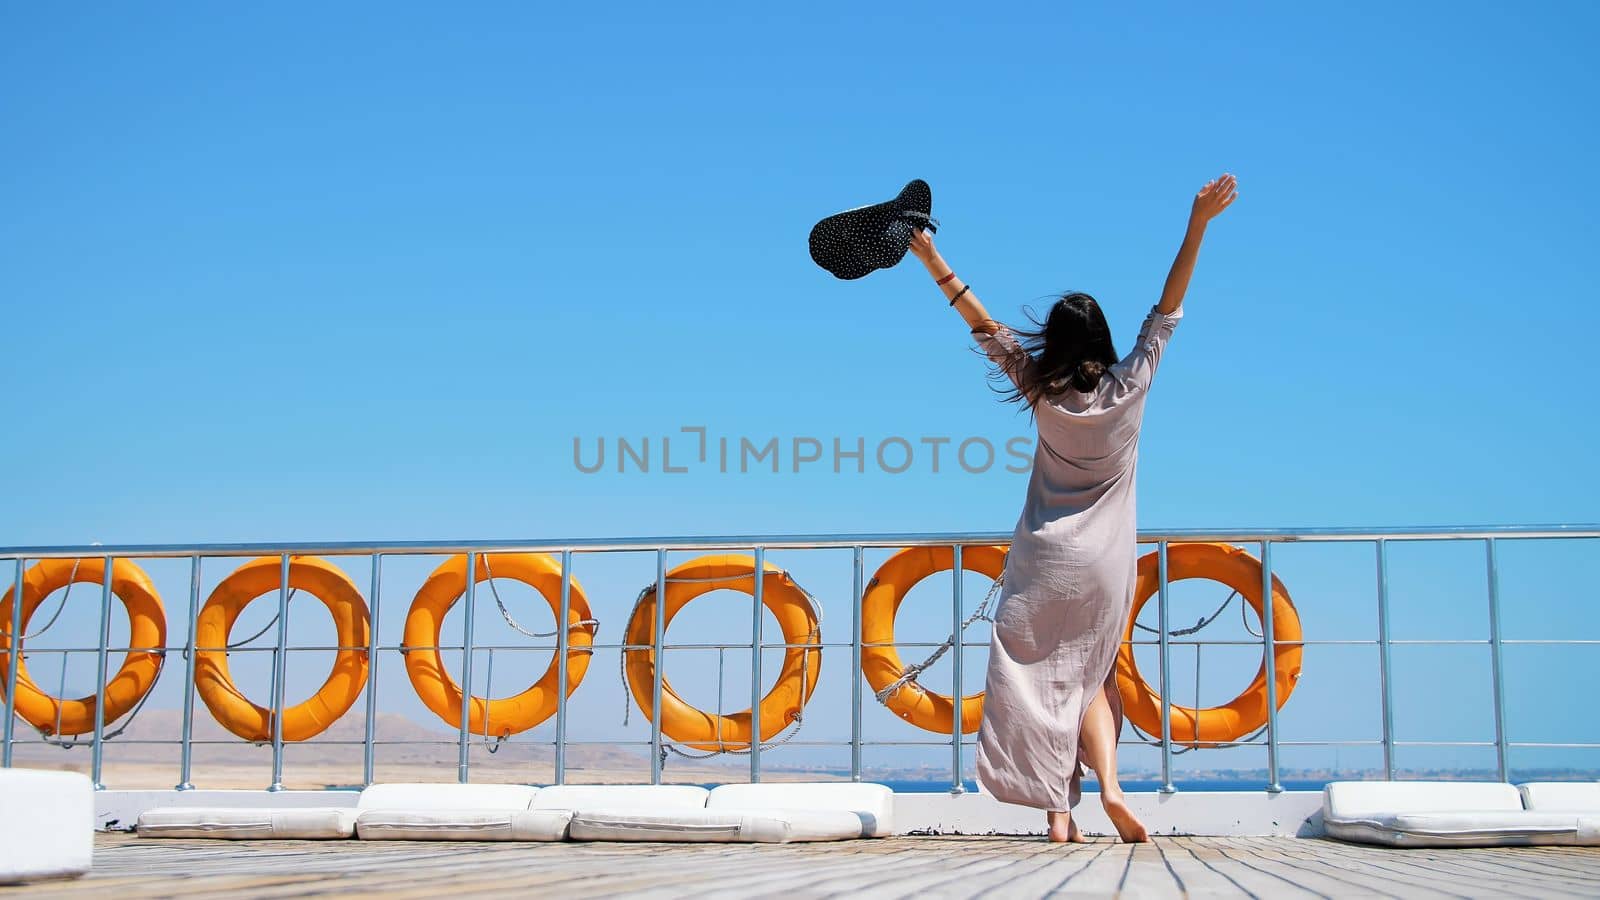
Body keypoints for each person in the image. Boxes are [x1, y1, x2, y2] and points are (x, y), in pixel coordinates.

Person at [906, 173, 1238, 843]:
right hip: (1106, 561)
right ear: (1103, 340)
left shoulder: (1038, 387)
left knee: (1039, 681)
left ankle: (1059, 813)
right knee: (1089, 677)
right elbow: (1168, 309)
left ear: (1053, 343)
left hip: (1043, 558)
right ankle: (1109, 788)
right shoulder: (1131, 384)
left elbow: (981, 323)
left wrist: (931, 258)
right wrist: (1197, 223)